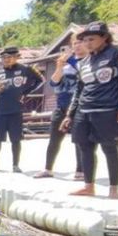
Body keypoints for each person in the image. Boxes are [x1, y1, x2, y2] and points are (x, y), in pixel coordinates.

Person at [59, 22, 118, 199]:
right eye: (84, 40)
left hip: (108, 109)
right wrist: (70, 114)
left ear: (104, 37)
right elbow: (79, 89)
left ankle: (114, 188)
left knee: (111, 148)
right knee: (84, 147)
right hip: (84, 110)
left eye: (92, 39)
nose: (87, 43)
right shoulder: (84, 61)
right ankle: (88, 186)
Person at [0, 47, 44, 173]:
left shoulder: (26, 70)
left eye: (9, 57)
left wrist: (25, 92)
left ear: (16, 57)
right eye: (4, 58)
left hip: (16, 110)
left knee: (16, 139)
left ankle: (15, 165)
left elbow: (41, 81)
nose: (6, 60)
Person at [34, 37, 86, 179]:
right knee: (54, 138)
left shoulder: (88, 62)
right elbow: (53, 83)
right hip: (61, 104)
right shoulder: (66, 64)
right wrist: (59, 66)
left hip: (79, 105)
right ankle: (48, 169)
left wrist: (72, 61)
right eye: (75, 43)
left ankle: (81, 171)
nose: (77, 46)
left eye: (80, 43)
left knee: (79, 139)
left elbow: (85, 75)